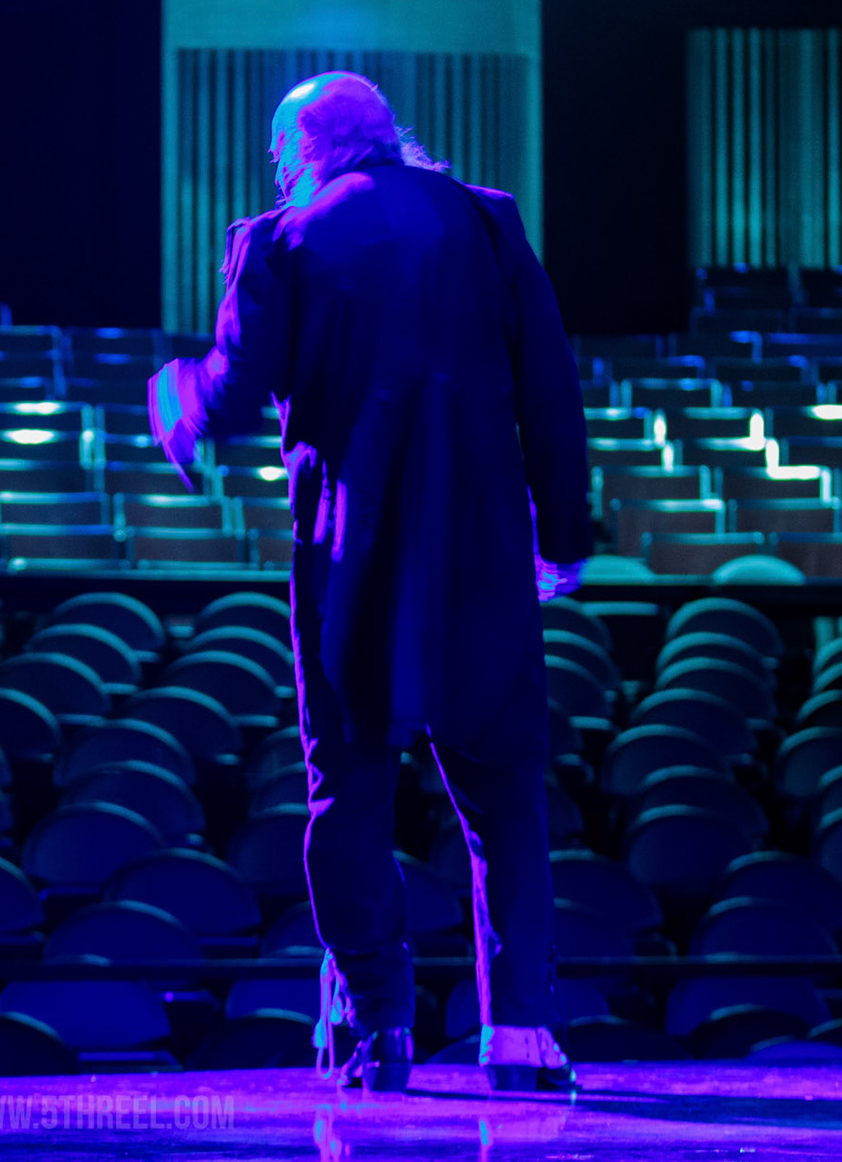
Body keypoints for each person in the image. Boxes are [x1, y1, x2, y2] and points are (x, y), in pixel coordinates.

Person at [149, 72, 591, 1093]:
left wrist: (178, 398)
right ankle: (521, 1033)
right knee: (505, 797)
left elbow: (236, 386)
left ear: (308, 146)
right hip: (484, 557)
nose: (276, 168)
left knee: (348, 794)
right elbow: (550, 384)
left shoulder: (281, 238)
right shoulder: (488, 221)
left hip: (351, 557)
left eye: (280, 150)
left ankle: (378, 1027)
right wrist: (563, 534)